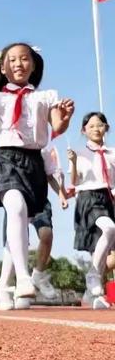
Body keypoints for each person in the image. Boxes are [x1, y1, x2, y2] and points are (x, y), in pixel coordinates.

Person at [0, 42, 74, 310]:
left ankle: (3, 284)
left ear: (33, 64)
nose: (18, 64)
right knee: (15, 206)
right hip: (4, 159)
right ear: (3, 67)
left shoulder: (46, 96)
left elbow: (57, 126)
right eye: (12, 60)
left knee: (19, 219)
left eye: (24, 59)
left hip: (33, 162)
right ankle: (24, 278)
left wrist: (67, 117)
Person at [0, 123, 69, 309]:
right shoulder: (6, 140)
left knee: (41, 235)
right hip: (16, 190)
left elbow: (50, 174)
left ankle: (24, 279)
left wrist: (61, 194)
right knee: (16, 239)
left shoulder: (42, 146)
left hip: (38, 196)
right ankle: (6, 285)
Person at [68, 112, 115, 310]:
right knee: (109, 228)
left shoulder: (112, 153)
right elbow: (74, 182)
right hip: (88, 198)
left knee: (102, 251)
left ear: (106, 128)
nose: (96, 129)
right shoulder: (79, 152)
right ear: (84, 130)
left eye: (100, 125)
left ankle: (96, 294)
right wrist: (72, 162)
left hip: (108, 198)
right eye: (92, 126)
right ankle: (93, 274)